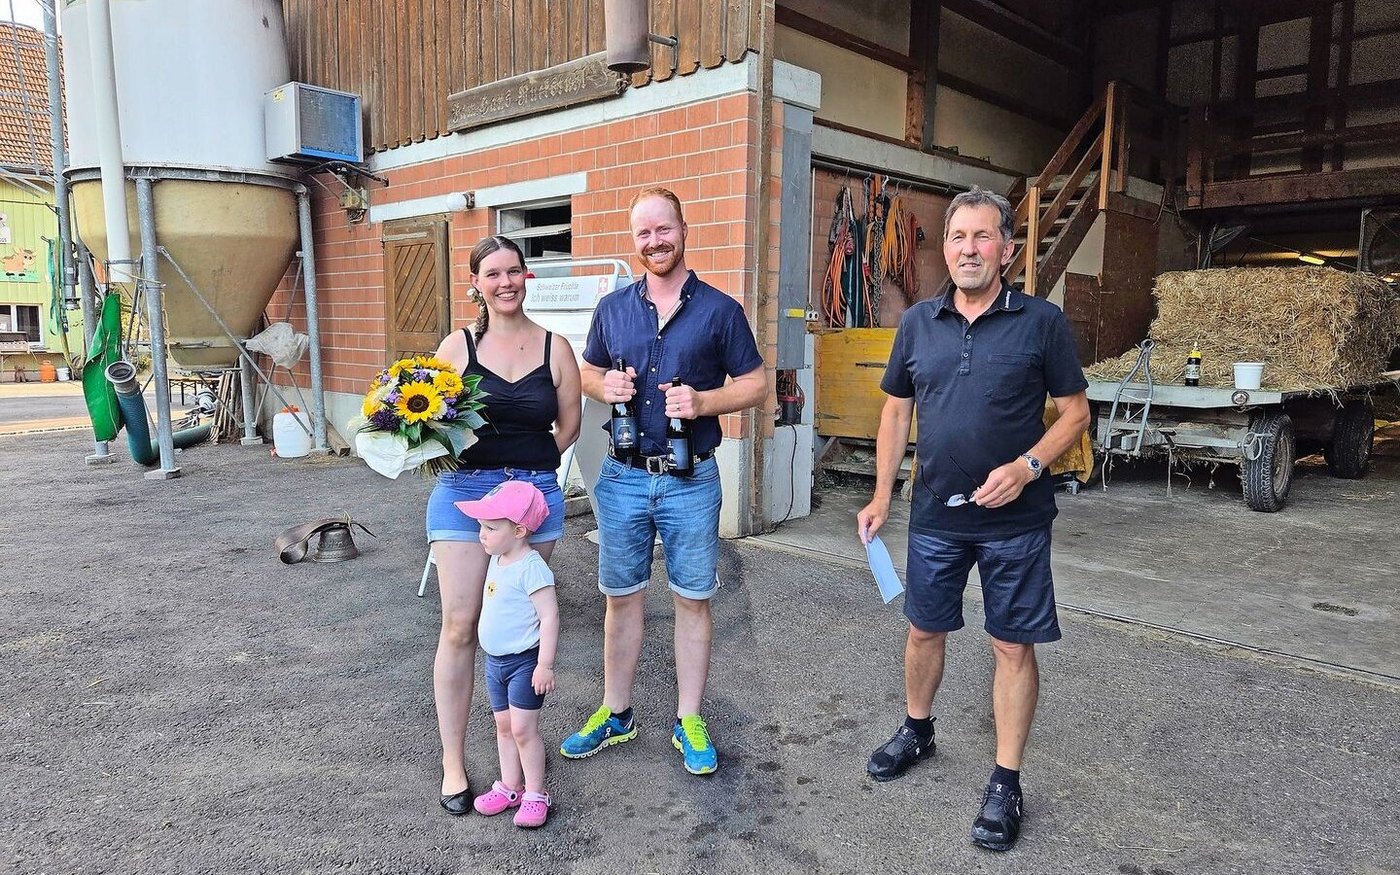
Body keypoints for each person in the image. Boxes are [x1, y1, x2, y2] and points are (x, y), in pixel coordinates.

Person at [856, 187, 1090, 852]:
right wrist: (880, 494)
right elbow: (896, 411)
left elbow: (1075, 412)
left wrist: (1027, 466)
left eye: (982, 236)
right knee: (924, 627)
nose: (967, 248)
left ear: (1007, 250)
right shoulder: (918, 323)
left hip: (1016, 521)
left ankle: (1006, 778)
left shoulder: (1041, 323)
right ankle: (917, 728)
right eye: (958, 236)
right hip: (934, 511)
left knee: (1013, 644)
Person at [559, 187, 767, 775]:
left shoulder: (720, 310)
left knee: (692, 601)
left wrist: (704, 401)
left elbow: (756, 386)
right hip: (621, 477)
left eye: (664, 229)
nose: (655, 242)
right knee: (620, 600)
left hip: (691, 479)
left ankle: (688, 718)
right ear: (635, 240)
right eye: (644, 233)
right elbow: (586, 371)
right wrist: (605, 388)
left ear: (683, 229)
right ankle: (616, 712)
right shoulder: (613, 308)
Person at [426, 235, 581, 815]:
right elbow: (432, 420)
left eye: (514, 271)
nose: (506, 282)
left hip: (532, 498)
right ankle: (453, 765)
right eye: (493, 273)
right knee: (461, 626)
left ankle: (518, 772)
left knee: (521, 626)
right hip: (465, 493)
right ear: (477, 283)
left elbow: (567, 427)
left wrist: (526, 474)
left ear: (526, 277)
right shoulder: (457, 346)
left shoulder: (555, 348)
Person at [455, 480, 559, 828]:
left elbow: (549, 616)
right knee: (503, 726)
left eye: (490, 527)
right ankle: (510, 786)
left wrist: (544, 664)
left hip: (523, 664)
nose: (481, 534)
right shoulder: (498, 559)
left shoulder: (532, 567)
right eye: (481, 526)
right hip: (494, 663)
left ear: (518, 529)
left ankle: (535, 792)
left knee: (524, 730)